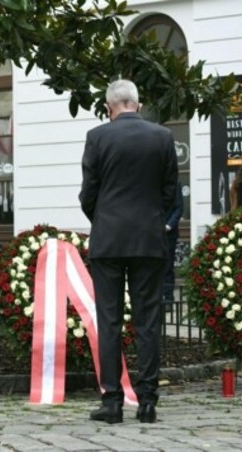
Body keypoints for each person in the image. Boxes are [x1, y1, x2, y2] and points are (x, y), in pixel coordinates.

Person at [79, 79, 178, 424]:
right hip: (148, 240)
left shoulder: (98, 137)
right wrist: (151, 218)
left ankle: (112, 400)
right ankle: (148, 400)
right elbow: (170, 194)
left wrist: (104, 218)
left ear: (109, 107)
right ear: (138, 103)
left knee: (109, 321)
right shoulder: (163, 137)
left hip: (108, 239)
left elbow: (88, 193)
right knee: (147, 321)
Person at [163, 181, 184, 306]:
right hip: (150, 232)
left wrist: (169, 225)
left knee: (167, 267)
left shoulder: (174, 183)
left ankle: (168, 299)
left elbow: (179, 208)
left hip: (168, 233)